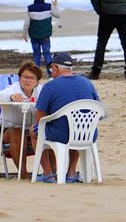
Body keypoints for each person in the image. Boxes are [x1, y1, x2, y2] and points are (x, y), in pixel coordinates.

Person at [33, 53, 100, 183]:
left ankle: (48, 174)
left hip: (61, 134)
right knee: (76, 128)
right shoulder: (87, 83)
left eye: (52, 68)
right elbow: (97, 107)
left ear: (55, 68)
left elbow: (40, 117)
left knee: (34, 130)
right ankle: (71, 173)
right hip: (88, 134)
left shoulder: (50, 86)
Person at [0, 62, 43, 180]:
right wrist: (10, 97)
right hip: (8, 130)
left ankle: (51, 171)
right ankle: (23, 173)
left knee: (48, 131)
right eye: (24, 77)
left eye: (31, 78)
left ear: (37, 81)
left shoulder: (41, 90)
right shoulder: (12, 89)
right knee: (17, 133)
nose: (27, 80)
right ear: (19, 78)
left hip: (32, 130)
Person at [23, 0, 61, 77]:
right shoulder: (49, 6)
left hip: (34, 35)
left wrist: (24, 34)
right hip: (45, 35)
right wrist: (56, 5)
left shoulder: (29, 8)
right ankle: (50, 73)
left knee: (36, 54)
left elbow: (26, 23)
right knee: (47, 53)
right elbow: (58, 15)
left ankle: (36, 73)